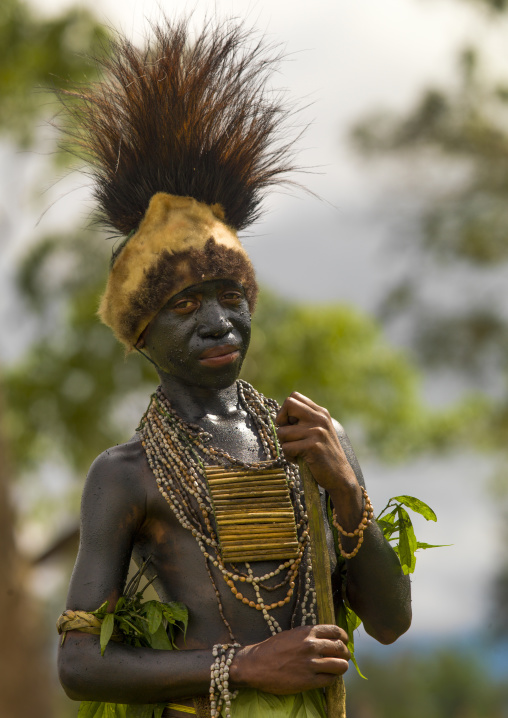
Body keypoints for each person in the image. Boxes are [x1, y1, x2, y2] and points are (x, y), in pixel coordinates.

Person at [56, 17, 411, 718]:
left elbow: (393, 622)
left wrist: (344, 492)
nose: (219, 321)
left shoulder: (311, 441)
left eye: (230, 296)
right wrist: (246, 664)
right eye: (186, 304)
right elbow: (76, 665)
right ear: (141, 332)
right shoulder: (127, 474)